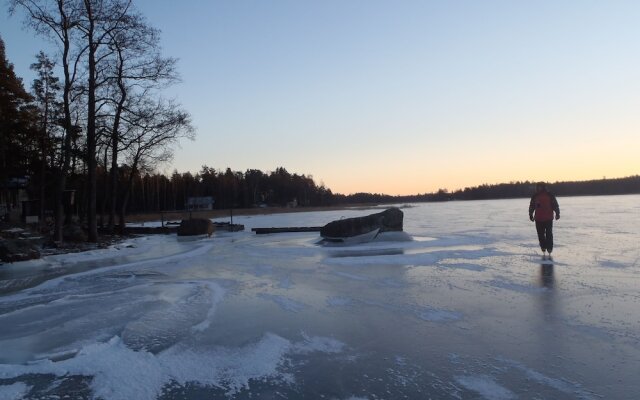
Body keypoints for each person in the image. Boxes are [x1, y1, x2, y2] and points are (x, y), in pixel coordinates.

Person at [529, 182, 560, 257]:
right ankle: (543, 246)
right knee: (541, 234)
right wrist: (531, 215)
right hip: (538, 219)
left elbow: (555, 204)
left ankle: (549, 247)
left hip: (548, 218)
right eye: (538, 187)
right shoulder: (535, 196)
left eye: (540, 187)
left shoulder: (549, 195)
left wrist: (557, 213)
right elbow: (532, 206)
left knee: (549, 234)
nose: (538, 188)